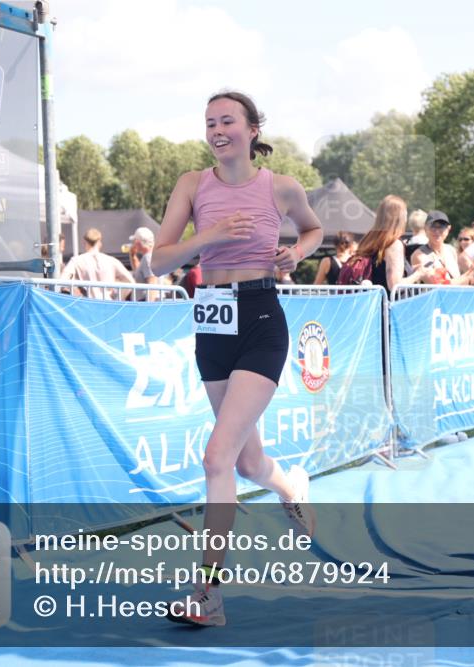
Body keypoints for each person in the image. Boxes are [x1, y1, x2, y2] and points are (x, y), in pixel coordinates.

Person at [150, 90, 324, 627]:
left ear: (252, 130)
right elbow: (158, 261)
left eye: (228, 121)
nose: (217, 129)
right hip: (212, 319)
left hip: (262, 320)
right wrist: (213, 235)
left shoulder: (281, 187)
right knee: (247, 463)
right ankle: (290, 486)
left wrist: (296, 252)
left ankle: (209, 594)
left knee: (216, 458)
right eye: (210, 123)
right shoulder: (191, 185)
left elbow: (314, 229)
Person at [351, 195, 433, 293]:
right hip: (391, 305)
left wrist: (410, 270)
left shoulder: (369, 240)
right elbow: (395, 286)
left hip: (374, 304)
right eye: (405, 213)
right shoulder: (394, 245)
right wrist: (419, 274)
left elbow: (379, 271)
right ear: (399, 218)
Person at [411, 211, 474, 285]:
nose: (437, 231)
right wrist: (470, 276)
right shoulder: (419, 255)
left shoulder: (451, 250)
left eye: (442, 227)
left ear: (448, 229)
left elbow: (458, 281)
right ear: (425, 228)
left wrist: (473, 272)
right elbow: (440, 285)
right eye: (433, 226)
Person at [59, 227, 135, 300]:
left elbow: (62, 281)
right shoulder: (111, 261)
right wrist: (118, 297)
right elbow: (130, 281)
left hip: (87, 304)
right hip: (107, 304)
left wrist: (75, 292)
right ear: (99, 242)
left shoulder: (76, 261)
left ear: (85, 242)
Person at [129, 226, 159, 301]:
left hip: (146, 303)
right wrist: (133, 256)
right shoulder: (151, 256)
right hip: (146, 302)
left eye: (134, 241)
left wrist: (148, 309)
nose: (133, 244)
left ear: (138, 242)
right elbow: (140, 272)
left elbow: (152, 284)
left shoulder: (148, 258)